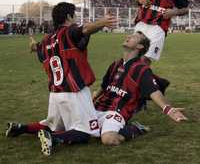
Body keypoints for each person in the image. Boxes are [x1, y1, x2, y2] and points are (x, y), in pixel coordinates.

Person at [34, 32, 187, 151]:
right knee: (72, 126)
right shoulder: (115, 65)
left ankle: (136, 128)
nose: (128, 37)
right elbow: (104, 86)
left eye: (134, 37)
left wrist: (168, 109)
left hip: (116, 112)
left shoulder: (142, 69)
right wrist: (93, 98)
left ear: (140, 47)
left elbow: (154, 92)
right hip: (97, 108)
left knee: (108, 139)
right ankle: (40, 133)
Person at [6, 2, 117, 155]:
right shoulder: (68, 32)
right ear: (68, 16)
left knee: (53, 124)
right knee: (86, 133)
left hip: (55, 94)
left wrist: (33, 46)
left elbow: (38, 49)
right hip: (75, 91)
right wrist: (102, 22)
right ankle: (53, 138)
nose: (76, 17)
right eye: (74, 14)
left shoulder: (45, 41)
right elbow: (84, 29)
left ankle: (20, 128)